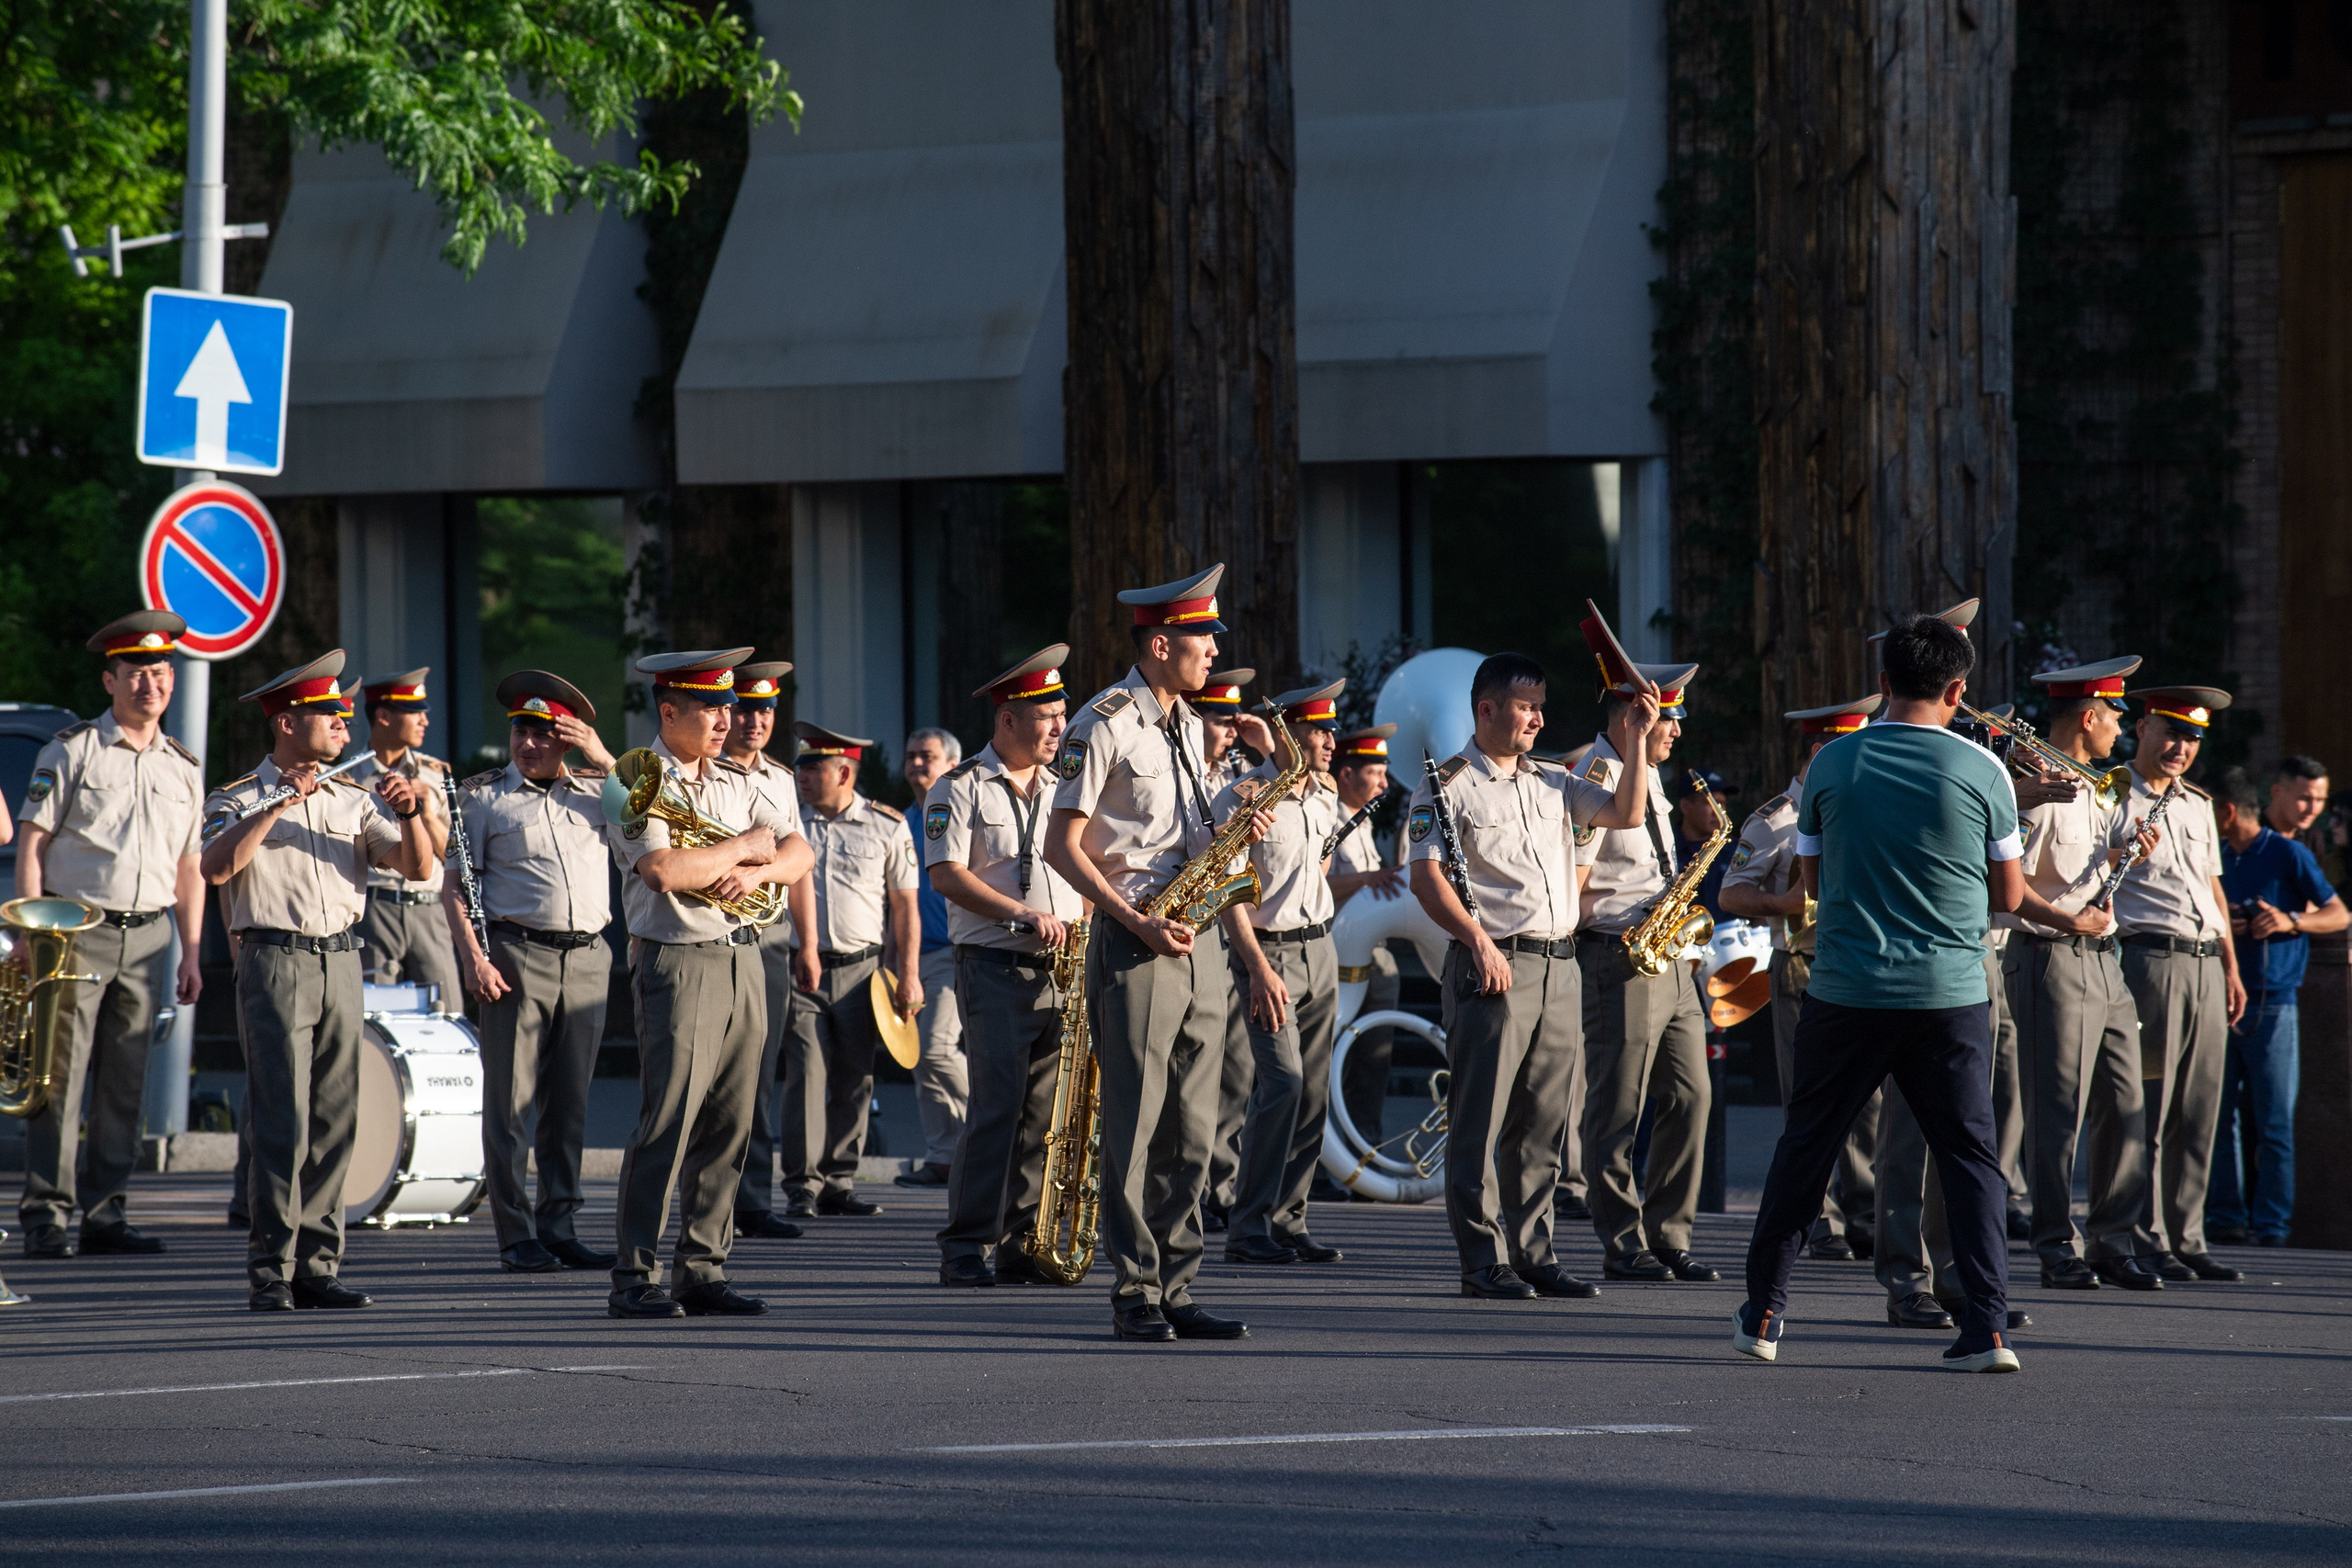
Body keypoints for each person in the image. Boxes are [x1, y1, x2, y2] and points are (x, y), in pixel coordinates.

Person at [1734, 613, 2023, 1373]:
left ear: (1884, 684)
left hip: (1848, 986)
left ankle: (1763, 1312)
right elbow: (2013, 894)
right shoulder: (1985, 771)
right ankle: (1988, 1328)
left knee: (1808, 1146)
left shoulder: (1833, 762)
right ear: (1958, 690)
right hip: (1951, 991)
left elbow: (1813, 883)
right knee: (1969, 1159)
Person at [1042, 565, 1272, 1342]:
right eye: (1204, 637)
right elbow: (1061, 847)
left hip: (1196, 931)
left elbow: (1185, 835)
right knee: (1136, 1120)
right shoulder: (1102, 721)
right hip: (1137, 934)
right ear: (1163, 641)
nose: (1214, 650)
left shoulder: (1182, 722)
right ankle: (1135, 1288)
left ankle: (1178, 1283)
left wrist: (1237, 826)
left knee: (1193, 1124)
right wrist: (1131, 920)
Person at [1406, 647, 1658, 1303]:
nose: (1537, 720)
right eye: (1526, 707)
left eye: (1541, 708)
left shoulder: (1550, 779)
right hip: (1493, 963)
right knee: (1481, 1118)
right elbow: (1425, 877)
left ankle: (1534, 1250)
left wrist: (1632, 740)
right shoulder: (1449, 782)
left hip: (1557, 964)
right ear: (1486, 708)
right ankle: (1482, 1259)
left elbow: (1625, 814)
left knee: (1544, 1120)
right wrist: (1475, 940)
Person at [201, 651, 435, 1311]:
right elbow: (215, 867)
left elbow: (416, 868)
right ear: (286, 722)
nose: (341, 723)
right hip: (275, 960)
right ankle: (270, 1270)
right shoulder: (239, 794)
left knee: (336, 1119)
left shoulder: (352, 798)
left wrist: (413, 809)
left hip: (342, 959)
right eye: (328, 713)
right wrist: (276, 805)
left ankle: (317, 1264)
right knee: (284, 1120)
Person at [605, 650, 810, 1318]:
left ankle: (703, 1266)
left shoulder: (735, 776)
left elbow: (799, 850)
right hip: (678, 959)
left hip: (744, 953)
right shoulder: (630, 775)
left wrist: (757, 871)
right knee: (668, 1119)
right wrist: (742, 847)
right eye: (710, 707)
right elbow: (663, 869)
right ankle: (635, 1275)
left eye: (729, 706)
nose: (727, 719)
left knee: (732, 1120)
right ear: (670, 711)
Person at [13, 611, 205, 1260]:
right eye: (134, 674)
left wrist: (194, 950)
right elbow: (31, 845)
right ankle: (47, 1213)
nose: (147, 684)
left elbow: (189, 867)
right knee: (58, 1078)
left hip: (150, 937)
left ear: (171, 682)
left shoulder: (182, 767)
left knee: (127, 1081)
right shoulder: (72, 750)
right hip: (77, 932)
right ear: (110, 680)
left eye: (158, 672)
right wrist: (28, 932)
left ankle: (105, 1211)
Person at [441, 671, 622, 1274]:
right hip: (516, 957)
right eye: (521, 729)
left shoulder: (600, 791)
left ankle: (560, 1224)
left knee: (568, 1104)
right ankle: (516, 1234)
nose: (529, 743)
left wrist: (605, 757)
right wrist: (474, 957)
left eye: (544, 732)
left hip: (589, 957)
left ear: (568, 737)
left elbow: (656, 812)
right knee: (511, 1106)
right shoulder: (483, 796)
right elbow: (457, 887)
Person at [2003, 658, 2163, 1292]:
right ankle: (2054, 1243)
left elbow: (2086, 876)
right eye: (2116, 715)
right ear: (2089, 716)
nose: (2121, 728)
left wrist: (2124, 855)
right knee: (2057, 1110)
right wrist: (2067, 922)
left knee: (2126, 1102)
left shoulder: (2093, 785)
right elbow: (2004, 888)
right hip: (2052, 958)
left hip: (2105, 962)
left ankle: (2112, 1238)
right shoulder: (2037, 788)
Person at [925, 647, 1083, 1286]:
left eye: (1061, 713)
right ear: (1008, 719)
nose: (1058, 727)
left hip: (1062, 967)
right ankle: (965, 1244)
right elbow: (946, 874)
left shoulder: (1064, 786)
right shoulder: (959, 784)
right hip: (994, 962)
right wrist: (1020, 913)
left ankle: (1023, 1240)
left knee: (1043, 1113)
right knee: (996, 1106)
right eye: (1046, 715)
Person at [1719, 696, 1882, 1265]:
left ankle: (1863, 1212)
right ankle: (1820, 1221)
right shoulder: (1774, 820)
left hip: (1860, 965)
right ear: (1821, 753)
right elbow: (1730, 892)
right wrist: (1780, 902)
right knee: (1810, 1100)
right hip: (1803, 967)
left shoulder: (1864, 808)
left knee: (1869, 1100)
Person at [1576, 658, 1717, 1283]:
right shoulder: (1595, 774)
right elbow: (1569, 887)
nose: (1677, 733)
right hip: (1618, 952)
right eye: (1670, 720)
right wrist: (1628, 917)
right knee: (1617, 1105)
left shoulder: (1653, 776)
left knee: (1693, 1093)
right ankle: (1622, 1239)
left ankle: (1668, 1234)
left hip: (1669, 955)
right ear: (1634, 714)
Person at [2106, 687, 2247, 1280]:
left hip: (2206, 960)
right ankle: (2147, 1234)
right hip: (2151, 961)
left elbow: (2212, 890)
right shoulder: (2111, 795)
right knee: (2150, 1105)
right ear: (2141, 729)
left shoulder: (2195, 804)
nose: (2180, 747)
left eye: (2191, 738)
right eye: (2170, 732)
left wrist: (2231, 967)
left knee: (2199, 1107)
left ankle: (2188, 1235)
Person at [1216, 680, 1348, 1266]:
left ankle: (1288, 1221)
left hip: (1320, 947)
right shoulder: (1245, 797)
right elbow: (1229, 893)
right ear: (1289, 735)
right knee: (1282, 1085)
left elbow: (1315, 870)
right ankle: (1247, 1227)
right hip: (1269, 954)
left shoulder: (1325, 796)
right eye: (1318, 730)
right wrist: (1257, 966)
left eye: (1331, 730)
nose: (1329, 741)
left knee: (1312, 1092)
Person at [779, 722, 921, 1219]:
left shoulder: (887, 825)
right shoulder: (788, 822)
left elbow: (905, 907)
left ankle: (839, 1180)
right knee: (806, 1074)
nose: (803, 776)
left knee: (855, 1078)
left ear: (843, 771)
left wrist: (908, 974)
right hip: (803, 969)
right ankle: (802, 1185)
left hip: (864, 973)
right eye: (800, 767)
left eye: (813, 768)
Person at [2211, 756, 2347, 1247]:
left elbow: (2337, 914)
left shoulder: (2290, 853)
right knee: (2220, 1117)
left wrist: (2289, 921)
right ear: (2276, 792)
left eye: (2320, 799)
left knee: (2273, 1121)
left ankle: (2271, 1226)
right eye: (2305, 796)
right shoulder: (2218, 852)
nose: (2313, 807)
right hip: (2220, 996)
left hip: (2274, 1001)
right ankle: (2224, 1217)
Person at [716, 662, 820, 1238]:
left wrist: (808, 942)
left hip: (769, 936)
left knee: (758, 1071)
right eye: (745, 709)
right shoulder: (704, 774)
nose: (755, 720)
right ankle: (717, 1200)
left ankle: (751, 1199)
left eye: (765, 710)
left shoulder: (780, 779)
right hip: (712, 932)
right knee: (716, 1075)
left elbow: (798, 865)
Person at [1189, 667, 1258, 1232]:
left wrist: (1264, 745)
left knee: (1233, 1077)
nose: (1230, 732)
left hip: (1228, 939)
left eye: (1235, 723)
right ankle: (1188, 1194)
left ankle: (1220, 1187)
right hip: (1186, 932)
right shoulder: (1194, 778)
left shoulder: (1242, 777)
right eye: (1221, 720)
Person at [346, 670, 459, 1007]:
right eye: (415, 712)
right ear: (383, 716)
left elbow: (455, 853)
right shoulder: (349, 778)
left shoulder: (437, 774)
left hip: (429, 909)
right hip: (375, 912)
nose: (425, 720)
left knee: (446, 1010)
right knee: (376, 1016)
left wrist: (422, 813)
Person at [897, 726, 968, 1188]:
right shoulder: (901, 821)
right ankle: (944, 1155)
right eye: (911, 756)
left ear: (950, 766)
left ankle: (1009, 1125)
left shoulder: (961, 811)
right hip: (910, 957)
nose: (917, 764)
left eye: (927, 756)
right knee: (918, 1055)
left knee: (938, 1048)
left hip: (953, 950)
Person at [1329, 723, 1404, 1146]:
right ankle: (1327, 1159)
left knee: (1374, 1059)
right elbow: (1315, 887)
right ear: (1347, 775)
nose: (1384, 782)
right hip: (1337, 952)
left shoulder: (1363, 824)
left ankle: (1364, 1149)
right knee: (1332, 1056)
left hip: (1375, 953)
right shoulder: (1326, 820)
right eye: (1376, 772)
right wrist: (1369, 879)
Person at [1669, 770, 1738, 922]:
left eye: (1722, 803)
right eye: (1710, 803)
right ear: (1685, 806)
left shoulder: (1736, 850)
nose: (1719, 812)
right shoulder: (1665, 847)